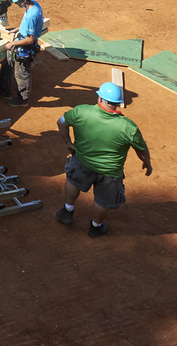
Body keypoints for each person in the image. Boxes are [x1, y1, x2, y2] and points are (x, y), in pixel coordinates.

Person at [56, 81, 152, 238]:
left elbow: (61, 122)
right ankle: (96, 227)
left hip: (82, 161)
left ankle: (67, 211)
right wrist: (147, 164)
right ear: (118, 103)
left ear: (100, 99)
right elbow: (142, 150)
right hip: (110, 173)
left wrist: (68, 143)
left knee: (73, 181)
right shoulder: (128, 127)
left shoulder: (81, 111)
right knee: (103, 200)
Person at [0, 0, 43, 107]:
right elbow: (27, 25)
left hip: (24, 47)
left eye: (17, 1)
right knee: (8, 65)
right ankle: (5, 91)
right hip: (20, 40)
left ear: (24, 0)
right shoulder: (34, 4)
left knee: (22, 73)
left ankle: (23, 99)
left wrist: (12, 43)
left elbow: (30, 39)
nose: (16, 3)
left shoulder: (31, 16)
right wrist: (17, 29)